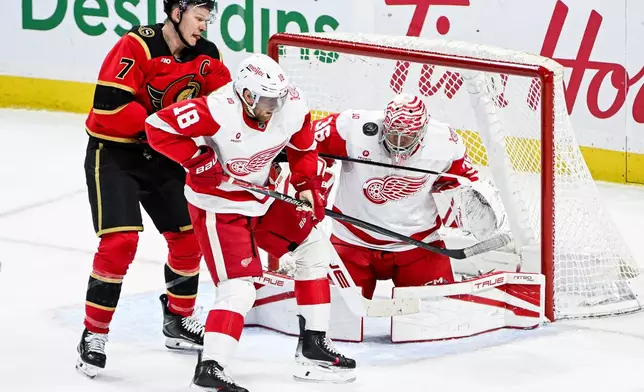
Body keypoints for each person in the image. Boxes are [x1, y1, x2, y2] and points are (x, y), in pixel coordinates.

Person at [145, 53, 357, 392]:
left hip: (262, 196)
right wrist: (197, 160)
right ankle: (211, 368)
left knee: (315, 244)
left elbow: (303, 148)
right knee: (238, 288)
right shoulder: (217, 109)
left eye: (278, 98)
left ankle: (312, 343)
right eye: (266, 99)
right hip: (218, 206)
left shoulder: (292, 105)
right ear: (245, 94)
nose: (274, 106)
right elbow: (157, 127)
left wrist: (305, 186)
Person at [76, 0, 231, 379]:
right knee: (120, 243)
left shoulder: (207, 56)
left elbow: (226, 106)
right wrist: (165, 131)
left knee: (188, 238)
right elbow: (109, 104)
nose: (203, 28)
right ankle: (93, 334)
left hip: (163, 157)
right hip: (115, 155)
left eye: (207, 20)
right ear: (176, 13)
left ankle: (178, 319)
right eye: (198, 19)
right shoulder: (137, 45)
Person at [312, 93, 506, 300]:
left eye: (405, 137)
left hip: (417, 246)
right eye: (392, 134)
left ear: (422, 132)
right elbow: (305, 145)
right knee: (336, 318)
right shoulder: (352, 128)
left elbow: (462, 183)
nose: (397, 143)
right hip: (350, 242)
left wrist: (472, 207)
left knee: (436, 316)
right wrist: (313, 185)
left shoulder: (445, 143)